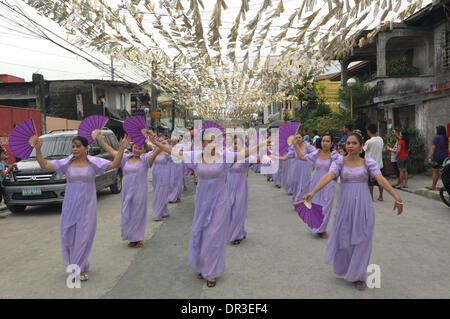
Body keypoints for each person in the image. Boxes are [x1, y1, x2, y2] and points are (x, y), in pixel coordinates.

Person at [147, 128, 265, 288]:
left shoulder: (224, 156)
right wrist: (156, 143)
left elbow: (243, 155)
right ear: (202, 143)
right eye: (208, 141)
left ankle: (212, 272)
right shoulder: (195, 156)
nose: (211, 144)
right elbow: (174, 152)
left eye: (214, 141)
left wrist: (262, 144)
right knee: (200, 233)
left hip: (219, 202)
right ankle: (202, 266)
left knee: (214, 235)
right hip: (202, 202)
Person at [303, 132, 404, 290]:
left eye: (354, 143)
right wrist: (313, 192)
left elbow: (380, 179)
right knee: (346, 238)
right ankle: (348, 268)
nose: (350, 146)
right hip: (345, 206)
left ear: (361, 145)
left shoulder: (367, 162)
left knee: (363, 240)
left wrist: (397, 197)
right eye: (348, 143)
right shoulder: (340, 162)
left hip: (364, 206)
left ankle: (359, 276)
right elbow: (329, 176)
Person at [35, 135, 129, 281]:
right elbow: (44, 165)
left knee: (84, 236)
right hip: (70, 205)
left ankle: (77, 268)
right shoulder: (66, 163)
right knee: (70, 235)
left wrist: (121, 149)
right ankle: (78, 263)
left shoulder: (93, 163)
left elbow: (114, 164)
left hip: (87, 205)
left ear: (86, 148)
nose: (75, 149)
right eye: (73, 146)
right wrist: (38, 149)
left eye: (78, 146)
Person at [96, 133, 161, 248]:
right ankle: (131, 237)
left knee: (138, 213)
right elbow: (112, 151)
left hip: (140, 191)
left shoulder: (146, 159)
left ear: (143, 150)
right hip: (127, 191)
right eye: (135, 147)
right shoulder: (125, 158)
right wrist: (101, 140)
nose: (137, 150)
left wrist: (154, 140)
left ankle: (139, 238)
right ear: (132, 147)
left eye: (140, 148)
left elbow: (157, 150)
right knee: (128, 213)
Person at [293, 133, 340, 239]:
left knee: (326, 206)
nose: (325, 143)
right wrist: (295, 145)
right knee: (315, 205)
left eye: (328, 141)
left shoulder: (335, 155)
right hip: (315, 182)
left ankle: (322, 229)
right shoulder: (316, 154)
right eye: (323, 141)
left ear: (331, 143)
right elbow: (301, 157)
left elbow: (344, 163)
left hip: (328, 183)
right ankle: (317, 227)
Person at [277, 134, 316, 202]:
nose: (298, 139)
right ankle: (295, 195)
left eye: (299, 137)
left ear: (302, 138)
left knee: (304, 184)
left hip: (305, 169)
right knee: (294, 183)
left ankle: (300, 200)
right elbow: (285, 158)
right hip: (295, 168)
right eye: (296, 138)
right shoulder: (293, 148)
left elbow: (315, 153)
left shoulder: (307, 146)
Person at [364, 124, 384, 201]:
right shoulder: (380, 139)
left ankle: (371, 197)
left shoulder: (369, 142)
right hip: (379, 164)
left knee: (370, 183)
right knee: (380, 181)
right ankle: (381, 196)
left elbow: (365, 152)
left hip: (371, 165)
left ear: (369, 131)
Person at [426, 126, 449, 190]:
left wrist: (430, 156)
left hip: (437, 157)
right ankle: (446, 187)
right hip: (445, 157)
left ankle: (433, 186)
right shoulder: (445, 137)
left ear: (438, 130)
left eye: (435, 130)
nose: (434, 131)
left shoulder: (436, 137)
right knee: (445, 172)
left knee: (435, 172)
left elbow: (433, 147)